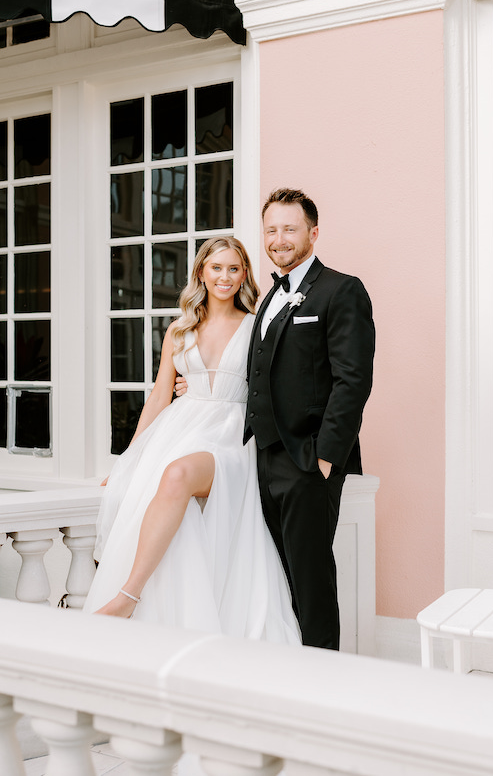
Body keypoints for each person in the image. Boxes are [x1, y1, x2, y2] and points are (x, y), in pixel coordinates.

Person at [178, 188, 375, 650]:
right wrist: (197, 385)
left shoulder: (341, 290)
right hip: (259, 459)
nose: (280, 239)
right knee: (275, 578)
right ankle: (287, 676)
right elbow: (253, 371)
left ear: (313, 232)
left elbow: (353, 381)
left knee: (310, 580)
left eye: (290, 229)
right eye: (271, 230)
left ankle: (322, 679)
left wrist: (325, 457)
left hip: (308, 462)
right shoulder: (266, 298)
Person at [83, 237, 300, 645]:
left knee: (178, 474)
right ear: (201, 271)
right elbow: (159, 396)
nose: (225, 277)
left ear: (244, 275)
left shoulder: (257, 325)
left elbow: (273, 388)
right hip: (181, 427)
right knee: (162, 487)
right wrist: (128, 459)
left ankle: (129, 594)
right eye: (216, 267)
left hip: (234, 434)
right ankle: (168, 616)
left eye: (234, 269)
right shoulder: (179, 330)